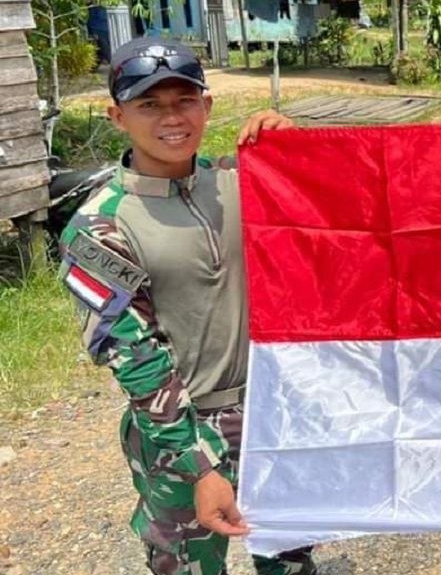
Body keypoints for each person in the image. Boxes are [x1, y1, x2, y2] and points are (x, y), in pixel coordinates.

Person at [57, 40, 312, 575]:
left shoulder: (243, 183)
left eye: (184, 100)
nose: (171, 118)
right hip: (182, 434)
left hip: (272, 419)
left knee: (289, 559)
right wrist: (198, 467)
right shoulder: (102, 226)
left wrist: (298, 152)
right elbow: (139, 363)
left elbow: (341, 220)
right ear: (117, 116)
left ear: (208, 106)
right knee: (190, 566)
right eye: (149, 105)